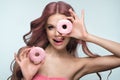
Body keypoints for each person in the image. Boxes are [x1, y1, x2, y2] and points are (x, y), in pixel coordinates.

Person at [8, 1, 120, 80]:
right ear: (45, 30)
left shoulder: (79, 65)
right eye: (51, 27)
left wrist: (86, 36)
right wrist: (26, 78)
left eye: (63, 27)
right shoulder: (27, 55)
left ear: (72, 28)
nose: (57, 33)